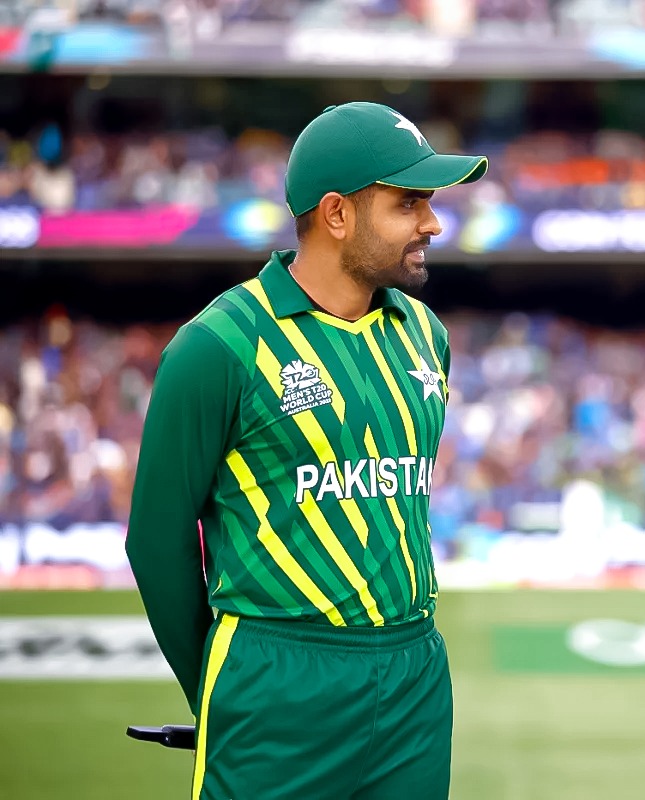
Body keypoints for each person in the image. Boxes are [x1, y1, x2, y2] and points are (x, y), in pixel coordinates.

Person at [125, 101, 487, 800]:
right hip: (277, 674)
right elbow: (155, 539)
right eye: (408, 203)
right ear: (336, 214)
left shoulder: (425, 335)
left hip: (414, 675)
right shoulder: (217, 347)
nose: (433, 223)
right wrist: (217, 690)